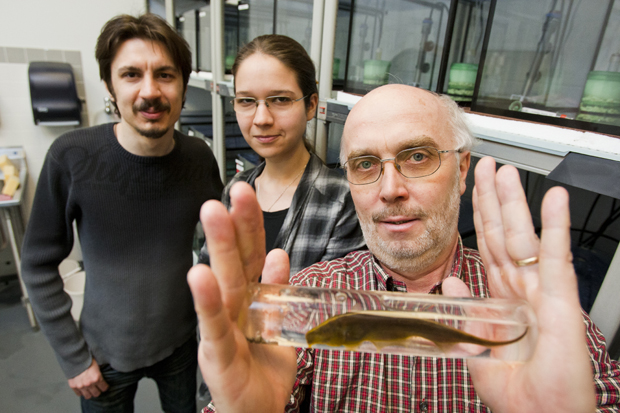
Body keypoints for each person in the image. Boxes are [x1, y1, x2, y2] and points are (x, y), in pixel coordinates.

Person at [188, 84, 620, 412]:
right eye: (365, 164)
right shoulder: (311, 296)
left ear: (462, 167)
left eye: (417, 156)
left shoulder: (535, 315)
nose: (390, 189)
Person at [21, 13, 223, 412]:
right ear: (109, 85)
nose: (151, 91)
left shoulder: (199, 157)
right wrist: (73, 357)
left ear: (183, 86)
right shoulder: (71, 156)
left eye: (165, 74)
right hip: (103, 356)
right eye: (131, 74)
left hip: (182, 345)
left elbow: (218, 246)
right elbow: (37, 265)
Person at [199, 35, 364, 276]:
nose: (261, 119)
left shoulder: (342, 200)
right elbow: (209, 277)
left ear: (311, 105)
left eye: (280, 100)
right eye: (246, 101)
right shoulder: (236, 189)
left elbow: (333, 303)